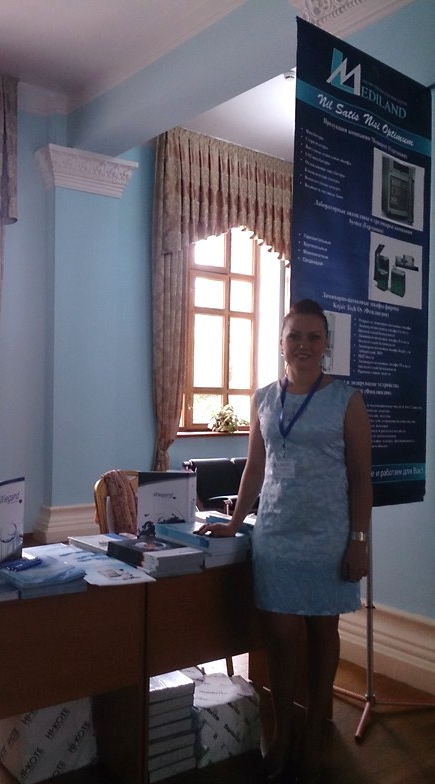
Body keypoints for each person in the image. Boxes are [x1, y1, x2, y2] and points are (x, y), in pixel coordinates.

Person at [198, 298, 372, 784]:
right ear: (281, 342)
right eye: (295, 336)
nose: (303, 345)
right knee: (279, 637)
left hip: (328, 537)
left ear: (325, 345)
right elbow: (254, 469)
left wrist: (359, 541)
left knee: (322, 634)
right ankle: (281, 732)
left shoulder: (347, 400)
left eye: (314, 337)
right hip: (275, 533)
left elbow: (361, 479)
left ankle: (314, 731)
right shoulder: (263, 399)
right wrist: (234, 523)